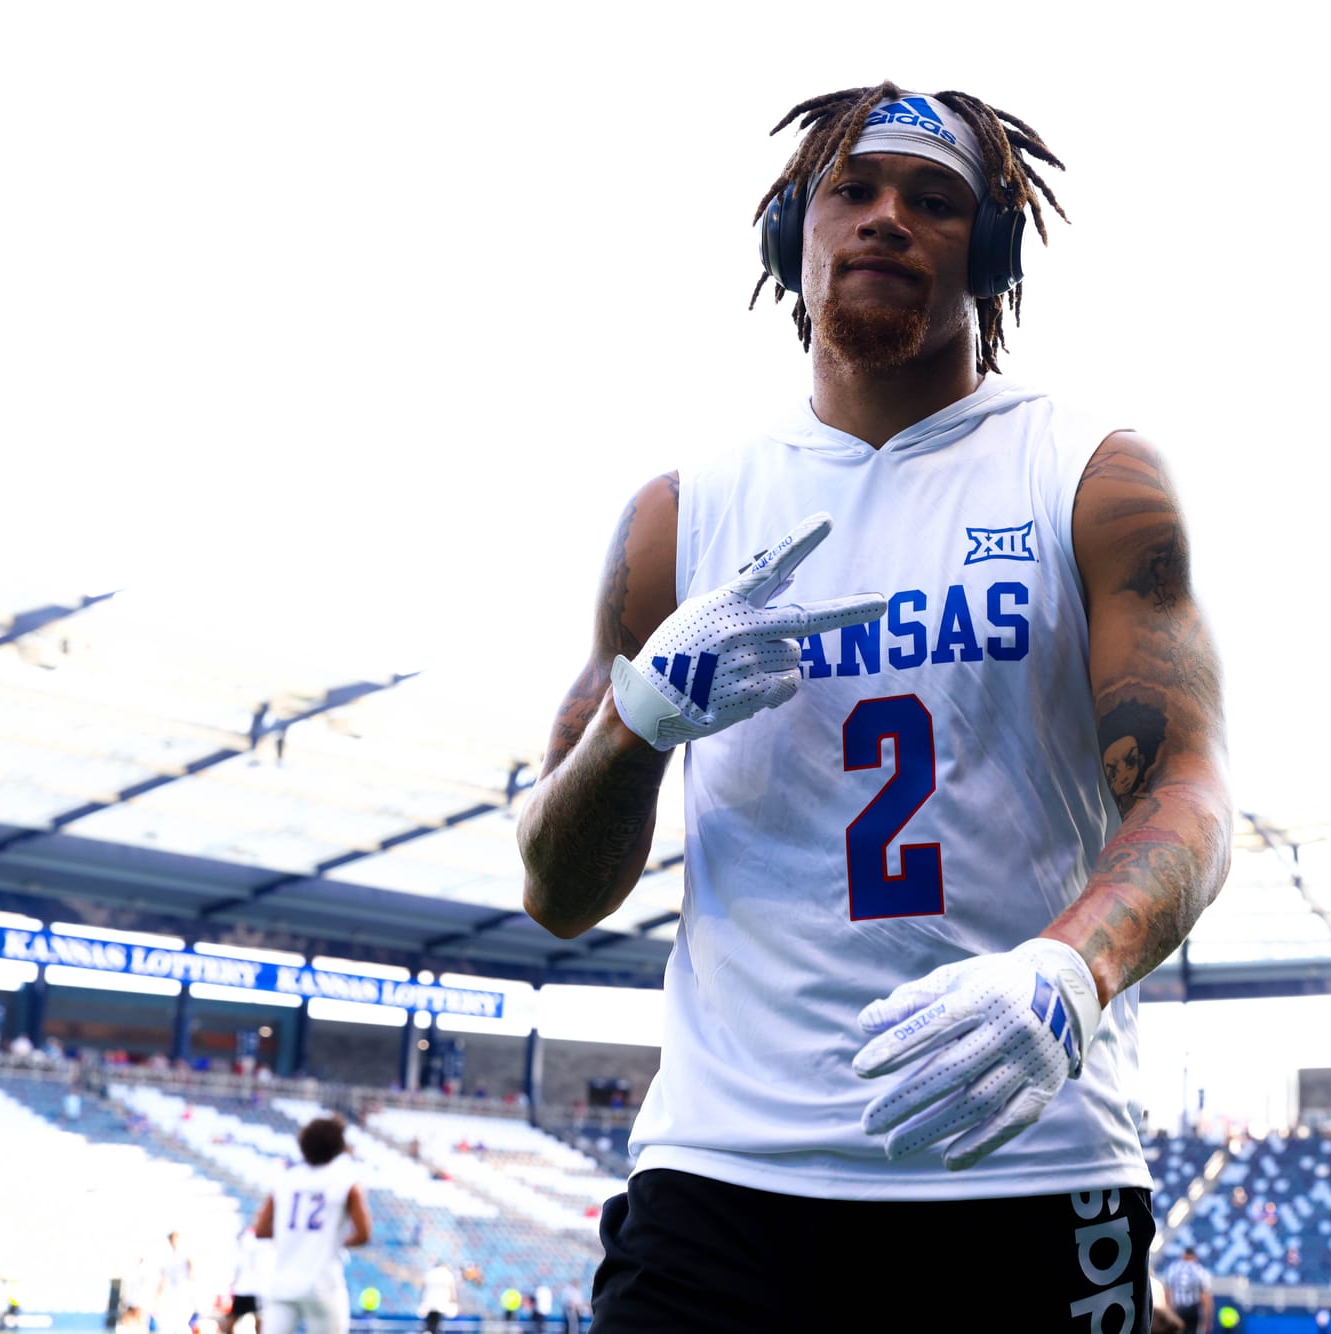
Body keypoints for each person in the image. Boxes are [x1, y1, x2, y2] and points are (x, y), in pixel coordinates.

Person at [517, 81, 1233, 1334]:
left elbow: (1186, 787)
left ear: (991, 252)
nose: (886, 217)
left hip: (1022, 1157)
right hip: (723, 1174)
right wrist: (635, 723)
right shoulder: (680, 517)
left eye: (934, 199)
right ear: (789, 231)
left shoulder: (1087, 475)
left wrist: (1070, 971)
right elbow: (556, 890)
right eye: (851, 189)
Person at [253, 1115, 372, 1334]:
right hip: (322, 1284)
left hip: (282, 1283)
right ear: (338, 1147)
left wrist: (293, 1235)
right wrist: (333, 1240)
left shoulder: (284, 1180)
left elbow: (260, 1230)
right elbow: (364, 1234)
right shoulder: (346, 1181)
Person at [228, 1223, 271, 1334]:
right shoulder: (247, 1236)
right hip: (245, 1288)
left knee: (259, 1322)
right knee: (232, 1321)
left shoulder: (260, 1239)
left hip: (256, 1289)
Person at [1163, 1247, 1214, 1334]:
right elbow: (1205, 1297)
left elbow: (1168, 1293)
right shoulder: (1200, 1271)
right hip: (1193, 1309)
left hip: (1178, 1309)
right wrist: (1208, 1319)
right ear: (1194, 1257)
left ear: (1183, 1256)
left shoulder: (1172, 1269)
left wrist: (1169, 1311)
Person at [418, 1259, 457, 1334]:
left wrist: (422, 1301)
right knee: (437, 1324)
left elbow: (422, 1288)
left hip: (429, 1303)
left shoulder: (429, 1273)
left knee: (430, 1324)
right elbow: (452, 1290)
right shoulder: (447, 1274)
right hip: (441, 1303)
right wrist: (454, 1302)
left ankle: (428, 1331)